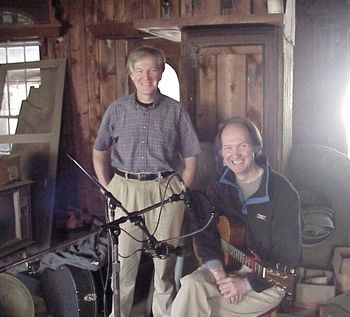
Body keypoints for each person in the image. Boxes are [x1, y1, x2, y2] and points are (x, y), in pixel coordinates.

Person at [93, 46, 201, 317]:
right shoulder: (116, 110)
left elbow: (191, 155)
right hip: (125, 190)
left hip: (165, 191)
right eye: (139, 70)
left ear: (161, 73)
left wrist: (182, 187)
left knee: (164, 267)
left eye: (152, 69)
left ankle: (163, 314)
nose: (146, 76)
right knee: (124, 265)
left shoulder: (176, 111)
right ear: (131, 75)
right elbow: (99, 150)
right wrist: (108, 187)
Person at [171, 116, 302, 317]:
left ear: (255, 146)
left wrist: (247, 283)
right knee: (190, 285)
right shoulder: (219, 185)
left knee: (204, 309)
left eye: (242, 145)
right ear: (221, 153)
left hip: (269, 279)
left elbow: (288, 259)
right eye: (228, 148)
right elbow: (204, 229)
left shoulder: (282, 193)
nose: (235, 154)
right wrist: (217, 271)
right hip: (227, 265)